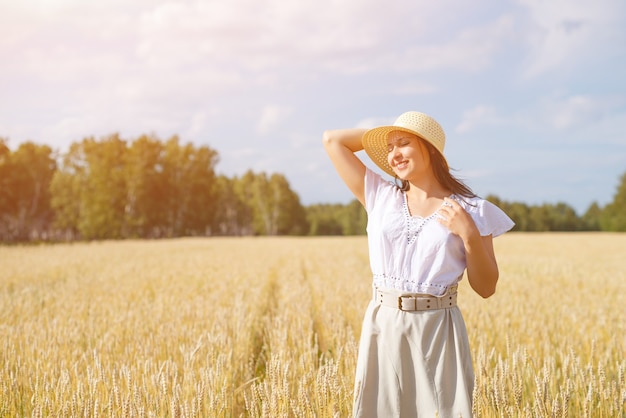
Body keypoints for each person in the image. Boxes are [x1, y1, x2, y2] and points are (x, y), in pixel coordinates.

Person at [322, 111, 514, 417]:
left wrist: (469, 235)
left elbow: (487, 287)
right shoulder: (380, 196)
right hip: (382, 325)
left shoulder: (473, 209)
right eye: (389, 147)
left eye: (404, 143)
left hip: (437, 328)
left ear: (430, 148)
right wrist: (386, 134)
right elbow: (332, 140)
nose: (394, 154)